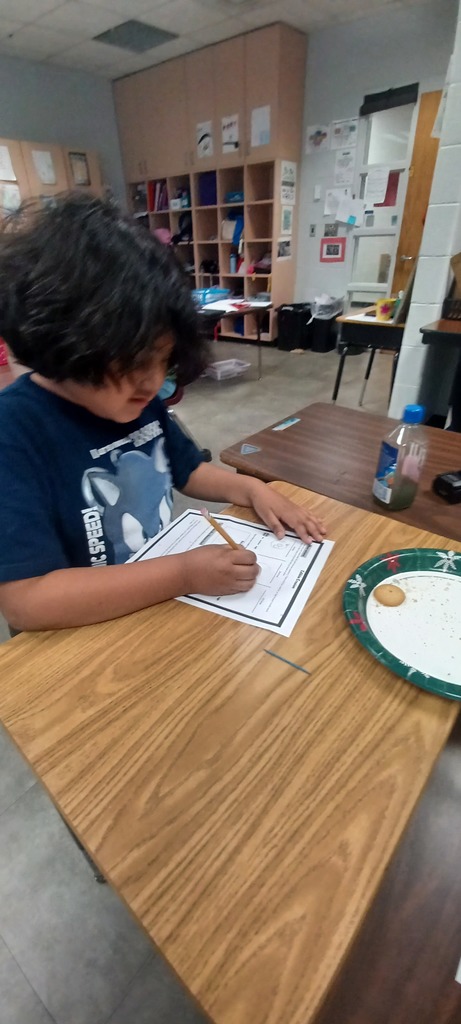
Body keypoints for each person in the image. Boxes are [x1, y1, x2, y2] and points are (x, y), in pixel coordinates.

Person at [0, 194, 325, 632]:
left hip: (155, 607)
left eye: (163, 360)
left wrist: (250, 488)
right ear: (66, 345)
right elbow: (27, 602)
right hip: (81, 638)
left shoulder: (134, 399)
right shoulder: (13, 433)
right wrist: (182, 574)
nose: (154, 383)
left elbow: (187, 471)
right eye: (134, 363)